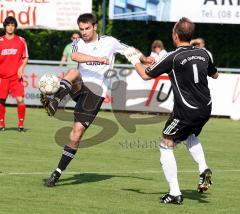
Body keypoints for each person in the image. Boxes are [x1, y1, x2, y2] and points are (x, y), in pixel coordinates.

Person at [41, 13, 153, 187]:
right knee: (74, 72)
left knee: (76, 134)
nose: (84, 32)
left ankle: (57, 173)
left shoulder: (110, 42)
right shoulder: (78, 43)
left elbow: (130, 50)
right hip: (80, 84)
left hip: (95, 94)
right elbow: (75, 57)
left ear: (94, 27)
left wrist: (145, 59)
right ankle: (55, 101)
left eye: (87, 28)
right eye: (81, 29)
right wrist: (97, 59)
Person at [128, 17, 219, 204]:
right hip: (206, 107)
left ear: (176, 35)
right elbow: (215, 74)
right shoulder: (203, 53)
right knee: (190, 135)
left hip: (186, 111)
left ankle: (175, 192)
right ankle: (203, 168)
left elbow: (145, 75)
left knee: (166, 143)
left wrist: (133, 60)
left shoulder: (173, 57)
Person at [0, 16, 29, 132]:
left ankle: (21, 125)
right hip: (2, 77)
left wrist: (21, 68)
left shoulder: (21, 40)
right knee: (1, 100)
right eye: (8, 25)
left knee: (20, 99)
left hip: (15, 77)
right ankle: (1, 124)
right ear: (5, 26)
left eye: (13, 25)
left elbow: (25, 57)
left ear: (15, 27)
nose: (10, 27)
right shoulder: (0, 41)